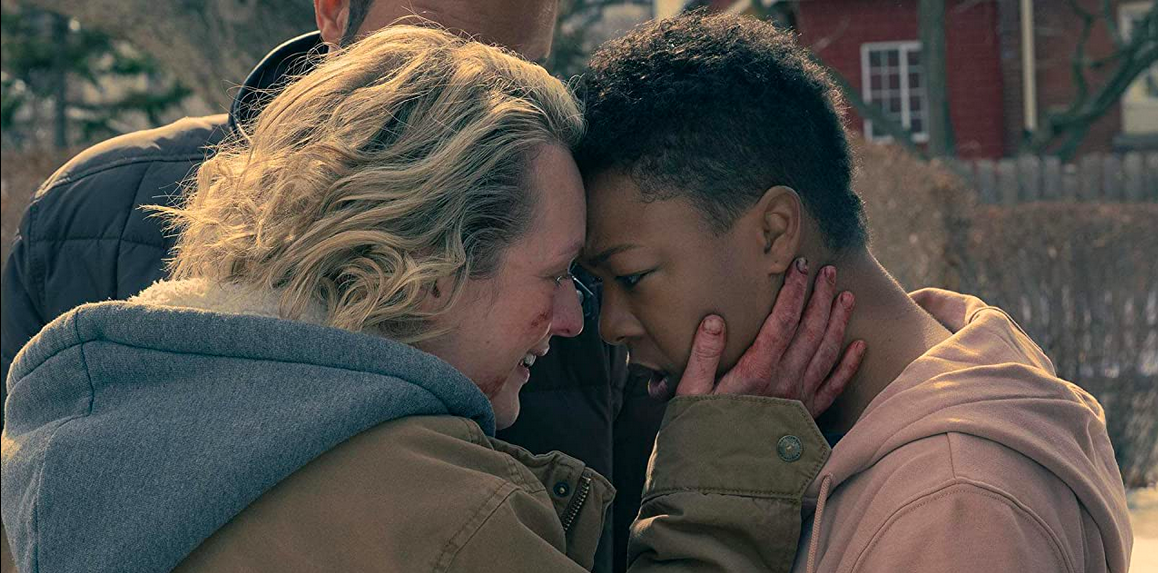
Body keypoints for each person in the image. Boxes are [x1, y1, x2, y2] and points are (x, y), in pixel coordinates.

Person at [2, 26, 861, 572]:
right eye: (557, 274)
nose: (578, 321)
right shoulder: (448, 519)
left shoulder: (59, 451)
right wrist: (719, 494)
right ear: (427, 266)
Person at [577, 12, 1133, 573]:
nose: (609, 325)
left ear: (774, 232)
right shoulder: (826, 436)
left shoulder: (955, 507)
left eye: (631, 277)